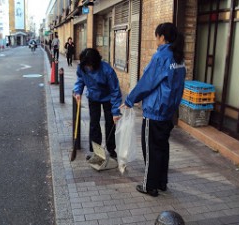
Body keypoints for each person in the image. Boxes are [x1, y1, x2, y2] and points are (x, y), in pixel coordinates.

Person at [122, 22, 186, 197]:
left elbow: (147, 83)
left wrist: (129, 99)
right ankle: (161, 182)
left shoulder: (161, 57)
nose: (155, 39)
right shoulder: (178, 58)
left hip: (155, 111)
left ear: (162, 37)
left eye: (157, 35)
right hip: (168, 112)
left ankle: (149, 186)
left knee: (151, 151)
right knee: (162, 149)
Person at [73, 48, 122, 159]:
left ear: (95, 63)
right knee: (94, 123)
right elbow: (80, 80)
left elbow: (115, 91)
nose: (88, 68)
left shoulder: (106, 70)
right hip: (93, 97)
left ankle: (111, 148)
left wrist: (115, 111)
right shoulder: (82, 68)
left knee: (110, 123)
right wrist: (78, 91)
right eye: (86, 65)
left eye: (89, 65)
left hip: (108, 98)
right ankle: (96, 150)